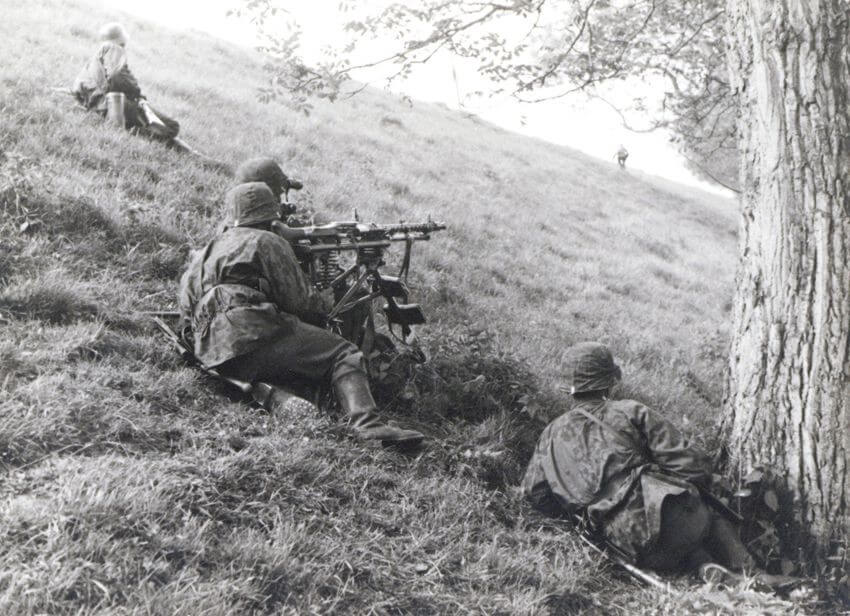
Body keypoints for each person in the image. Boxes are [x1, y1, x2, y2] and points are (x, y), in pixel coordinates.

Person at [522, 342, 793, 586]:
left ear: (570, 388)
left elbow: (537, 495)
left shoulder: (550, 434)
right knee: (700, 510)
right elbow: (693, 466)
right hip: (676, 522)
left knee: (662, 541)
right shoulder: (629, 411)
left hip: (622, 542)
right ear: (609, 382)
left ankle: (702, 566)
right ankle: (752, 573)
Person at [177, 181, 424, 447]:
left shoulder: (204, 253)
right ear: (271, 216)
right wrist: (324, 299)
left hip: (212, 351)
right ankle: (368, 425)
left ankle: (290, 397)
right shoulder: (267, 241)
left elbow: (186, 314)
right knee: (344, 353)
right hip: (252, 329)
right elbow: (302, 303)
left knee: (284, 358)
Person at [72, 23, 180, 142]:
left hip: (97, 104)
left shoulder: (97, 58)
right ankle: (137, 132)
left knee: (159, 125)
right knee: (173, 127)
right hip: (112, 104)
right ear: (121, 38)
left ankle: (141, 130)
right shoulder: (114, 48)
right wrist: (138, 96)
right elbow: (117, 76)